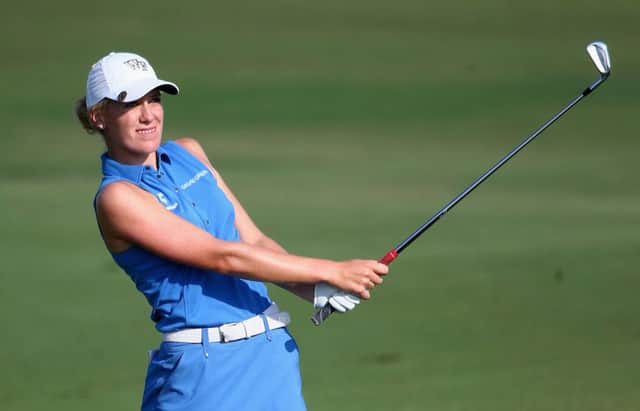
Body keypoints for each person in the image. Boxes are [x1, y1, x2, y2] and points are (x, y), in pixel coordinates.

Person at [75, 51, 389, 411]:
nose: (148, 115)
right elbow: (220, 256)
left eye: (155, 100)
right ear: (99, 116)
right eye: (131, 104)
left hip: (271, 354)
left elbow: (253, 240)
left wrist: (316, 289)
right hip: (204, 369)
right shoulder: (117, 198)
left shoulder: (187, 152)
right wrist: (332, 270)